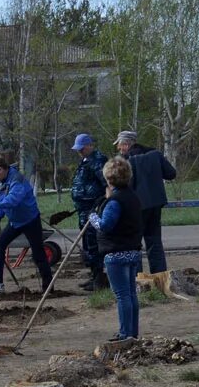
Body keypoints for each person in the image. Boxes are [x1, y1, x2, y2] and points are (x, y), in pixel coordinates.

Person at [91, 156, 144, 341]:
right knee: (130, 294)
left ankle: (124, 333)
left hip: (116, 254)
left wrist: (93, 219)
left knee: (122, 296)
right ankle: (132, 331)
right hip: (133, 251)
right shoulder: (133, 197)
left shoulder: (114, 202)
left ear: (108, 179)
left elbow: (106, 225)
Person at [0, 156, 52, 294]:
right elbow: (3, 198)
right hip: (15, 222)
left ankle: (48, 286)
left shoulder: (17, 179)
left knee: (38, 253)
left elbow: (13, 200)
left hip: (30, 220)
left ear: (1, 169)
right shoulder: (1, 181)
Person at [115, 130, 176, 275]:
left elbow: (124, 185)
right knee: (154, 240)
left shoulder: (126, 161)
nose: (119, 148)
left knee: (134, 243)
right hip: (156, 204)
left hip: (136, 206)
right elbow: (171, 174)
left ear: (127, 144)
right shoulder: (155, 155)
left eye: (120, 145)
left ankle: (138, 277)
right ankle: (160, 275)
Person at [70, 133, 109, 290]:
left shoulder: (98, 160)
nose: (79, 152)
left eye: (82, 148)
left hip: (93, 207)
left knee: (93, 244)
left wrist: (101, 203)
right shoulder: (85, 161)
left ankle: (100, 279)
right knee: (87, 244)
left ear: (89, 146)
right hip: (83, 209)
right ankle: (94, 276)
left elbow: (105, 182)